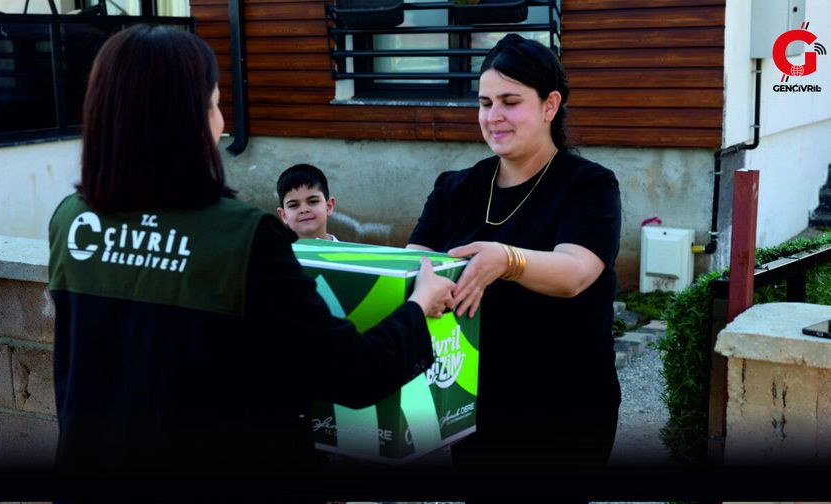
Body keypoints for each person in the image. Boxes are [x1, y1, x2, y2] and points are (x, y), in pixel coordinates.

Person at [47, 25, 454, 477]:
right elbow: (349, 373)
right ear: (191, 119)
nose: (222, 120)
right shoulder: (243, 237)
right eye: (217, 103)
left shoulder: (72, 221)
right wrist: (419, 307)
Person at [407, 34, 622, 476]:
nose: (493, 116)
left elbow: (576, 273)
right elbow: (414, 263)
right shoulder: (455, 187)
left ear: (549, 105)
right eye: (485, 103)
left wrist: (508, 261)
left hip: (566, 407)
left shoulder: (588, 186)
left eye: (510, 101)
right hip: (475, 402)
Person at [276, 163, 338, 241]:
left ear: (329, 206)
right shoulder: (273, 253)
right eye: (293, 205)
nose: (304, 210)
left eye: (313, 201)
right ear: (283, 215)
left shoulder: (350, 252)